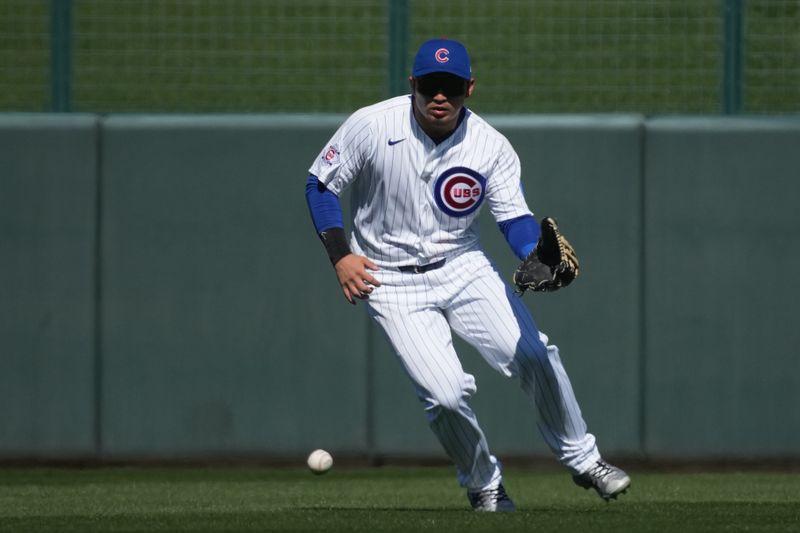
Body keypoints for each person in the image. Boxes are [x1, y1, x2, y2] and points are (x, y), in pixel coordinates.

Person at [304, 38, 630, 512]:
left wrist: (533, 252)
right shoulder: (371, 125)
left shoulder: (490, 146)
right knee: (446, 394)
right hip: (389, 279)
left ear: (469, 88)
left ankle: (585, 461)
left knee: (536, 356)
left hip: (463, 266)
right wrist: (340, 255)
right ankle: (485, 484)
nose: (441, 97)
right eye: (431, 86)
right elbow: (320, 185)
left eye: (452, 87)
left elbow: (515, 219)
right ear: (413, 83)